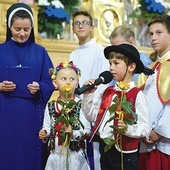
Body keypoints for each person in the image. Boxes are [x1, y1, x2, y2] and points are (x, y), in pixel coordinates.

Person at [0, 3, 54, 170]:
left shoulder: (40, 52)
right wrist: (0, 86)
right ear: (9, 27)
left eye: (26, 29)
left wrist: (39, 86)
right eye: (17, 29)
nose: (22, 33)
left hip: (31, 115)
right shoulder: (1, 50)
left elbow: (50, 82)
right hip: (4, 115)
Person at [81, 44, 153, 170]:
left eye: (116, 63)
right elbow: (92, 117)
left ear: (131, 67)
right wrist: (88, 95)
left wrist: (127, 129)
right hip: (106, 149)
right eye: (110, 63)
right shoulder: (107, 91)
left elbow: (144, 128)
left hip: (126, 156)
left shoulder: (137, 95)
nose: (111, 68)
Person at [69, 10, 110, 170]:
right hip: (77, 108)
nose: (80, 26)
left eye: (84, 23)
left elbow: (104, 83)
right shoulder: (73, 54)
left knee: (94, 157)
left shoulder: (100, 51)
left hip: (93, 108)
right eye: (77, 23)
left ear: (92, 26)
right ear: (72, 28)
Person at [39, 61, 91, 170]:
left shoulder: (80, 105)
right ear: (55, 83)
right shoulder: (51, 105)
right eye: (63, 79)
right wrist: (45, 133)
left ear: (77, 83)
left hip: (75, 157)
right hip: (55, 156)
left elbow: (87, 131)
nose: (68, 82)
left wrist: (73, 133)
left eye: (72, 79)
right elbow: (47, 126)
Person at [137, 15, 170, 170]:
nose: (153, 38)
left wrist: (159, 131)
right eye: (151, 34)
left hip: (165, 144)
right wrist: (143, 130)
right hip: (146, 141)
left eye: (159, 32)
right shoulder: (151, 69)